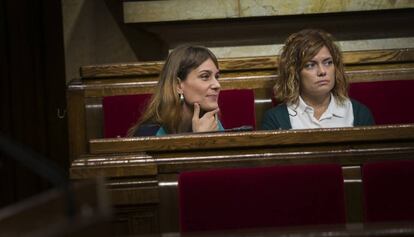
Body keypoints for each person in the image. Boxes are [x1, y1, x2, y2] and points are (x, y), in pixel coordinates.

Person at [261, 29, 375, 130]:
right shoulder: (275, 119)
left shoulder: (359, 113)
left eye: (328, 63)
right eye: (310, 65)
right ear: (294, 73)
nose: (322, 71)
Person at [128, 45, 224, 136]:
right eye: (205, 76)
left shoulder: (211, 124)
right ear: (178, 85)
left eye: (217, 77)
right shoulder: (149, 133)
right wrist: (201, 141)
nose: (217, 85)